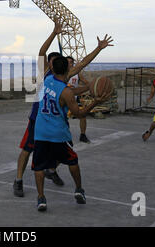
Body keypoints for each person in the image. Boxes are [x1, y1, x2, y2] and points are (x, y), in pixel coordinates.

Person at [13, 19, 114, 197]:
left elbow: (81, 66)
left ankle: (50, 170)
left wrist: (98, 50)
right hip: (38, 119)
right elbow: (42, 51)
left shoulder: (63, 77)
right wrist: (54, 32)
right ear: (50, 63)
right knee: (28, 149)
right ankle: (19, 180)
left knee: (64, 150)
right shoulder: (46, 73)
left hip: (58, 121)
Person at [33, 56, 111, 211]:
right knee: (72, 161)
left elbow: (66, 90)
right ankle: (79, 189)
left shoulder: (46, 81)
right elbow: (79, 113)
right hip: (58, 134)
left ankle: (41, 198)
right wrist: (95, 101)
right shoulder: (67, 93)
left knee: (39, 167)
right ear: (68, 70)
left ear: (52, 69)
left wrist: (88, 87)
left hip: (41, 132)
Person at [66, 56, 92, 144]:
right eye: (68, 62)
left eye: (71, 62)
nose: (70, 64)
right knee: (63, 119)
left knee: (83, 115)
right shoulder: (62, 73)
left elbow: (85, 82)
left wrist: (93, 86)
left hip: (75, 99)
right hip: (64, 100)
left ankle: (83, 135)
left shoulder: (77, 74)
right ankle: (66, 137)